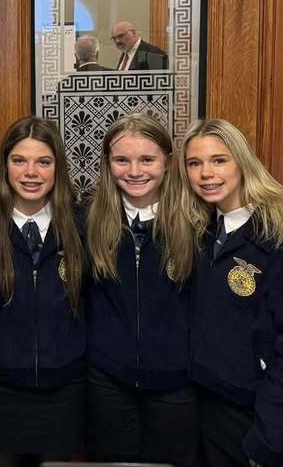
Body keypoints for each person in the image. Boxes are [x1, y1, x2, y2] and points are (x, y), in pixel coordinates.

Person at [181, 118, 283, 467]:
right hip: (211, 413)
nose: (206, 173)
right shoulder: (203, 233)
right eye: (194, 163)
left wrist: (268, 439)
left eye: (219, 160)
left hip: (264, 421)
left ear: (243, 164)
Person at [84, 113, 199, 467]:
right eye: (122, 160)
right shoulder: (86, 218)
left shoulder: (197, 220)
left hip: (177, 384)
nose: (134, 171)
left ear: (167, 161)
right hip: (107, 382)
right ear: (108, 164)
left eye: (147, 159)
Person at [0, 116, 85, 466]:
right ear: (5, 166)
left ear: (58, 168)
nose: (31, 172)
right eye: (19, 161)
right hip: (0, 394)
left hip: (65, 393)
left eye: (43, 162)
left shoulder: (82, 223)